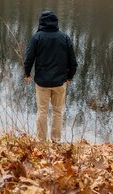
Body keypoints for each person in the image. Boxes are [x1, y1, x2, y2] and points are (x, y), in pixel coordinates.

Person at [24, 10, 78, 142]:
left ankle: (41, 141)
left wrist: (27, 73)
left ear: (41, 22)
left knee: (42, 111)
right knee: (57, 112)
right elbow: (73, 62)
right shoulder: (64, 37)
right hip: (60, 83)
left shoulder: (37, 37)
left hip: (42, 83)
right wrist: (69, 77)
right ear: (56, 22)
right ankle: (56, 141)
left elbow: (29, 57)